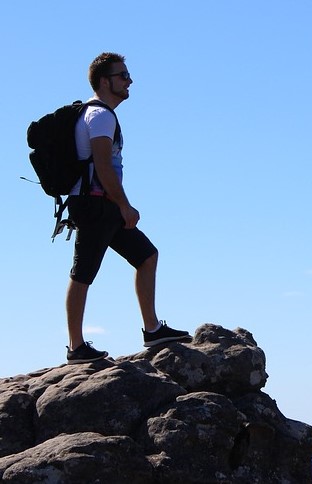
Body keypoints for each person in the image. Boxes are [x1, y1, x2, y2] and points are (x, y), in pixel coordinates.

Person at [65, 52, 191, 364]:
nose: (129, 80)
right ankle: (76, 347)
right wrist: (124, 205)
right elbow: (104, 165)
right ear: (105, 81)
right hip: (97, 205)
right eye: (123, 76)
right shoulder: (101, 116)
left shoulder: (98, 115)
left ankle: (152, 330)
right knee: (83, 273)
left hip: (101, 204)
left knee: (146, 255)